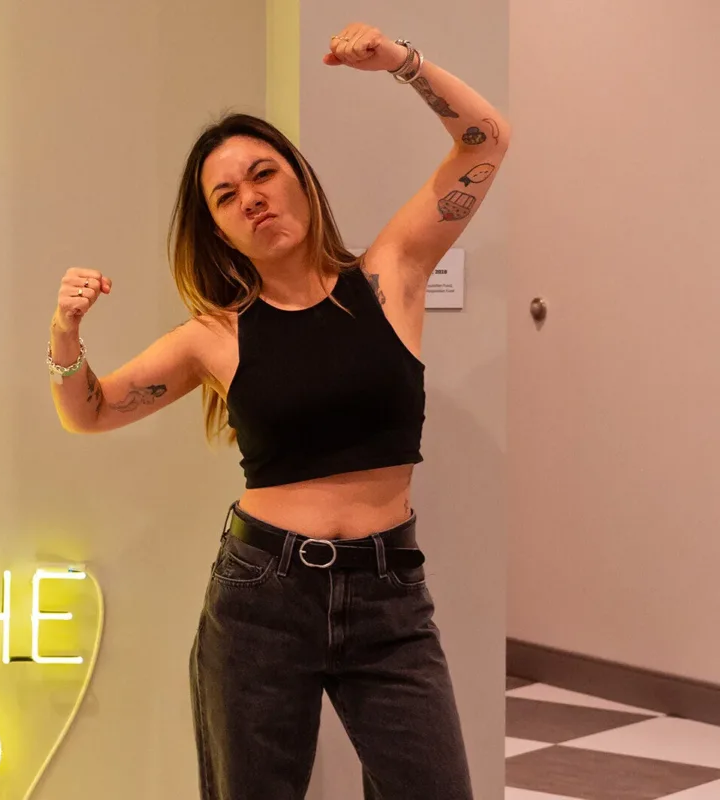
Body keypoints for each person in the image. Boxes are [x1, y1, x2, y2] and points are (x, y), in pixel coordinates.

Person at [44, 23, 506, 799]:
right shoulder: (213, 337)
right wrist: (64, 333)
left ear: (299, 178)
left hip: (391, 596)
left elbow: (485, 139)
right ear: (218, 229)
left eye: (264, 174)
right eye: (227, 196)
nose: (251, 198)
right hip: (262, 596)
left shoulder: (390, 276)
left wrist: (399, 61)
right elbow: (88, 412)